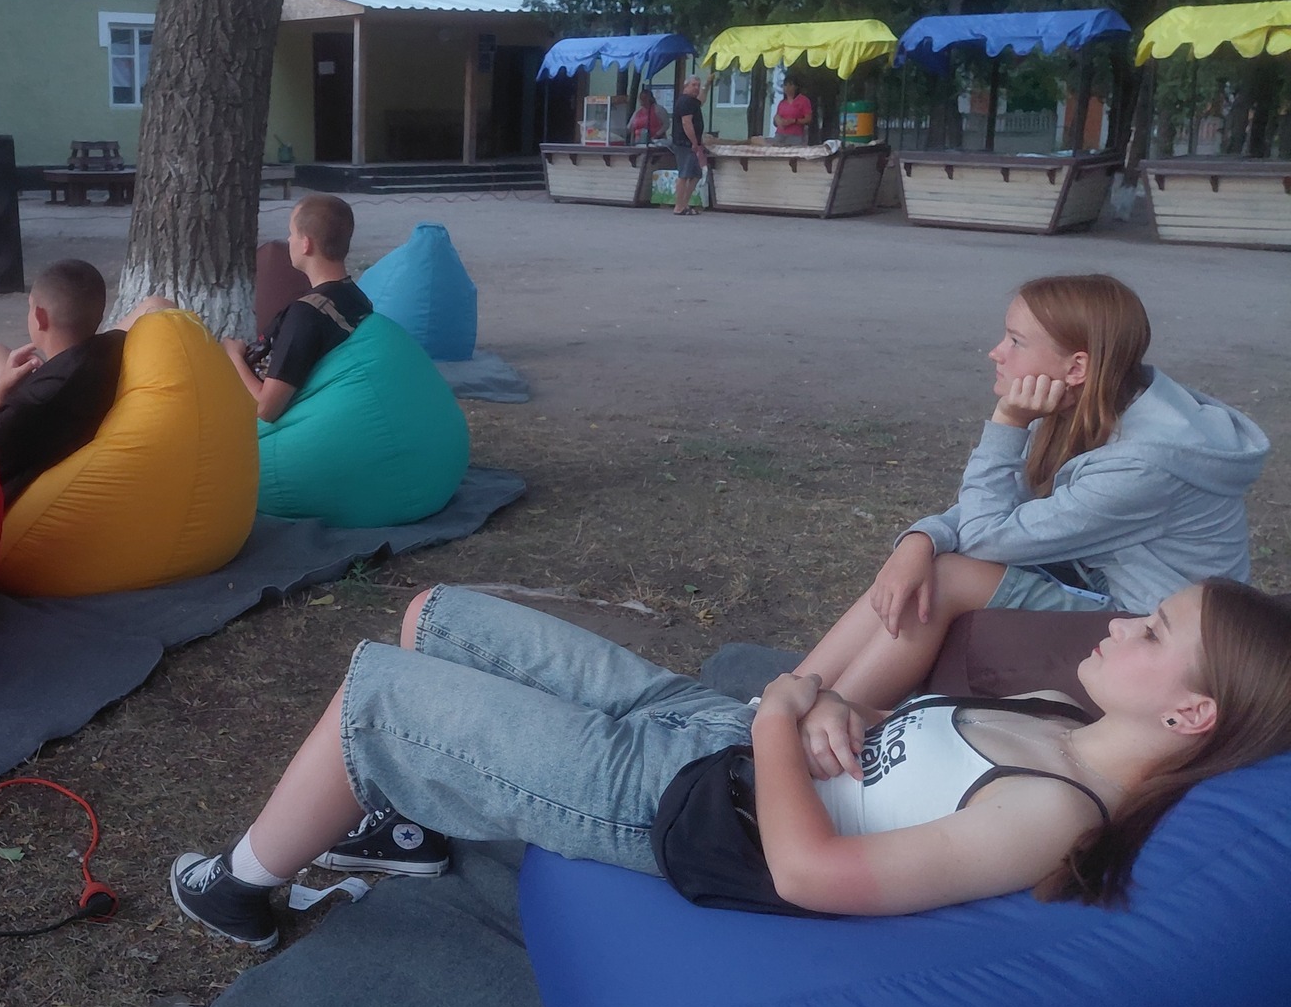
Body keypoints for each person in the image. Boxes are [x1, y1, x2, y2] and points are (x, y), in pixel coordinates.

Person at [169, 577, 1291, 948]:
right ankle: (403, 828)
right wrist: (818, 704)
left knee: (379, 691)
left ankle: (239, 890)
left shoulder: (1052, 812)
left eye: (1152, 632)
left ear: (1191, 712)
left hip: (677, 802)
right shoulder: (1053, 709)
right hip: (714, 728)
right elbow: (884, 724)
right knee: (435, 614)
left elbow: (811, 875)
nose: (1121, 624)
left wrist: (780, 719)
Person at [800, 273, 1269, 711]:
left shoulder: (1144, 464)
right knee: (920, 571)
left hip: (1155, 635)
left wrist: (1008, 423)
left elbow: (985, 535)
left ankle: (824, 722)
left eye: (1015, 341)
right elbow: (999, 507)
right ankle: (790, 697)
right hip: (1105, 585)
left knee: (946, 579)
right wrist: (918, 541)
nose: (996, 352)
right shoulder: (1106, 399)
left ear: (1077, 366)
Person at [0, 258, 129, 501]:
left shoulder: (29, 404)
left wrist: (1, 391)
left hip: (9, 477)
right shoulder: (116, 345)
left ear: (39, 316)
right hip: (65, 419)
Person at [222, 193, 372, 423]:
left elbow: (265, 409)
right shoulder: (356, 297)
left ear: (306, 244)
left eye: (292, 233)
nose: (289, 239)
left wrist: (234, 357)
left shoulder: (306, 315)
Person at [669, 74, 708, 215]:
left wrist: (707, 85)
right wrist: (694, 142)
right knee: (684, 174)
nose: (696, 88)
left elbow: (701, 100)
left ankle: (684, 204)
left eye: (698, 85)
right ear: (686, 86)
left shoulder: (692, 102)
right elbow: (687, 123)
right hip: (684, 143)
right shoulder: (685, 101)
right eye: (694, 85)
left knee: (696, 174)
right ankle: (678, 207)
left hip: (690, 143)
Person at [773, 76, 813, 142]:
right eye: (785, 85)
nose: (787, 88)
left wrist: (794, 121)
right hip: (779, 134)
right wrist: (778, 120)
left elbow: (808, 119)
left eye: (790, 85)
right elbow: (776, 119)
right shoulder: (782, 103)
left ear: (796, 87)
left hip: (795, 135)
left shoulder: (803, 100)